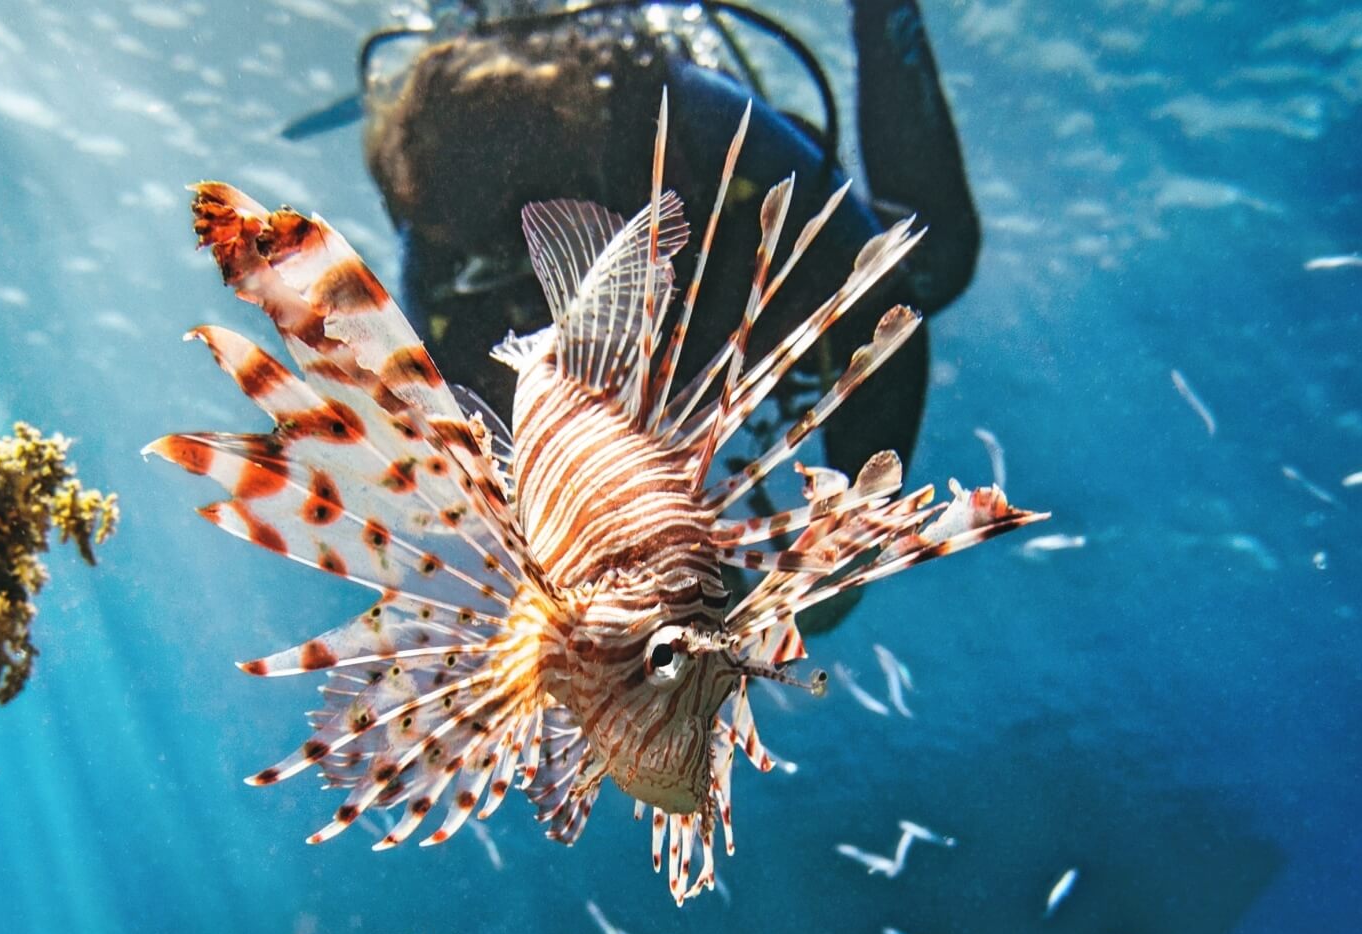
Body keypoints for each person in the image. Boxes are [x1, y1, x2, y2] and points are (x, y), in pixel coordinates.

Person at [289, 0, 981, 629]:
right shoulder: (440, 233)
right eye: (486, 253)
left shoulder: (695, 122)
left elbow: (882, 288)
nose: (527, 280)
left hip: (730, 264)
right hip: (660, 334)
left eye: (523, 244)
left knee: (935, 262)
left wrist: (850, 535)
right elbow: (467, 446)